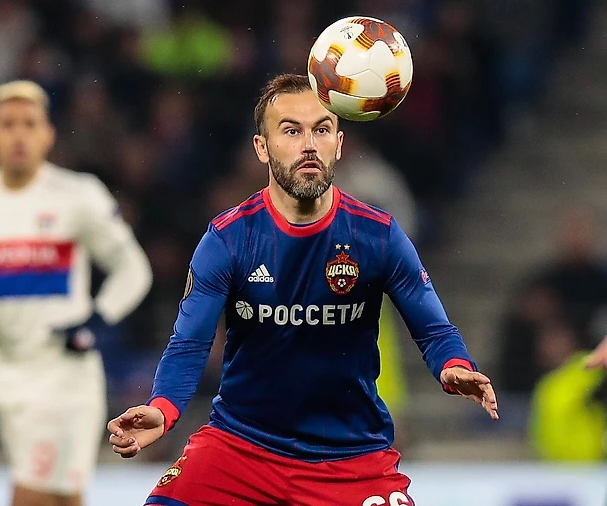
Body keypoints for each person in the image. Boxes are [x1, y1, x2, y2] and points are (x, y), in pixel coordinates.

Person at [107, 74, 498, 506]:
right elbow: (189, 344)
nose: (309, 145)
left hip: (350, 460)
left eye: (322, 130)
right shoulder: (228, 239)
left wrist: (453, 365)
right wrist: (163, 409)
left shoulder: (378, 236)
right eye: (291, 131)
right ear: (262, 147)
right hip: (240, 451)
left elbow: (435, 330)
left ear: (339, 144)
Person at [0, 80, 152, 506]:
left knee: (45, 491)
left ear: (47, 134)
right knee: (49, 493)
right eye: (8, 124)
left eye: (29, 124)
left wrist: (97, 318)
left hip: (66, 368)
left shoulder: (78, 195)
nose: (19, 135)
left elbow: (132, 269)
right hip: (6, 369)